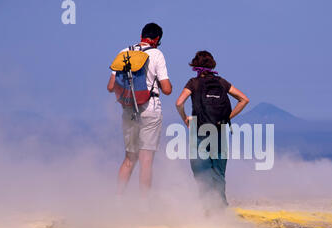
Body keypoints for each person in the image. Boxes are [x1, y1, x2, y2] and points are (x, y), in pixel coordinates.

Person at [175, 51, 249, 209]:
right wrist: (228, 117)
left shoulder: (193, 83)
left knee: (201, 172)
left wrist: (185, 119)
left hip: (199, 128)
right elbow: (244, 99)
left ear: (195, 65)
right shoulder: (221, 82)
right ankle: (221, 209)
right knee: (219, 172)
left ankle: (207, 210)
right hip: (220, 128)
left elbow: (179, 103)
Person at [107, 23, 172, 198]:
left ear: (142, 35)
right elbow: (167, 89)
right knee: (146, 161)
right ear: (157, 39)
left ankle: (117, 201)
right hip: (149, 108)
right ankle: (144, 206)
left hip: (128, 109)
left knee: (129, 159)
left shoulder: (123, 52)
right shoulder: (157, 54)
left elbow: (111, 86)